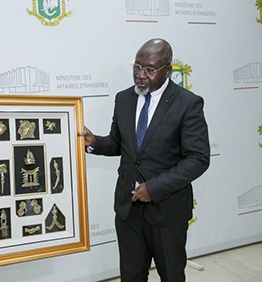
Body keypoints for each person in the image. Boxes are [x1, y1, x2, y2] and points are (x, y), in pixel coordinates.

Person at [80, 38, 210, 282]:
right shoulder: (124, 98)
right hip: (128, 210)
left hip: (167, 211)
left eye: (150, 69)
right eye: (137, 67)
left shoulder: (188, 103)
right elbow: (120, 144)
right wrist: (95, 142)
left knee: (171, 276)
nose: (141, 75)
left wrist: (154, 188)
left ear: (168, 70)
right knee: (131, 276)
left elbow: (198, 158)